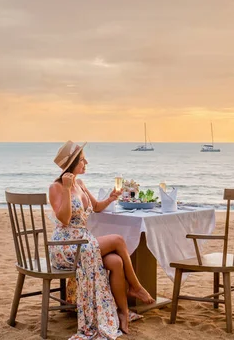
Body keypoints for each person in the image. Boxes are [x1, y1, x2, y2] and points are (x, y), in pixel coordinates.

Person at [48, 140, 154, 339]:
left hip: (83, 241)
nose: (86, 162)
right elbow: (64, 218)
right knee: (118, 240)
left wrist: (111, 198)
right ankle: (136, 287)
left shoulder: (80, 183)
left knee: (116, 261)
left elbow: (95, 207)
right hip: (66, 246)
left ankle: (122, 313)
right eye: (82, 159)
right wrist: (65, 188)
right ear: (71, 163)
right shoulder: (56, 187)